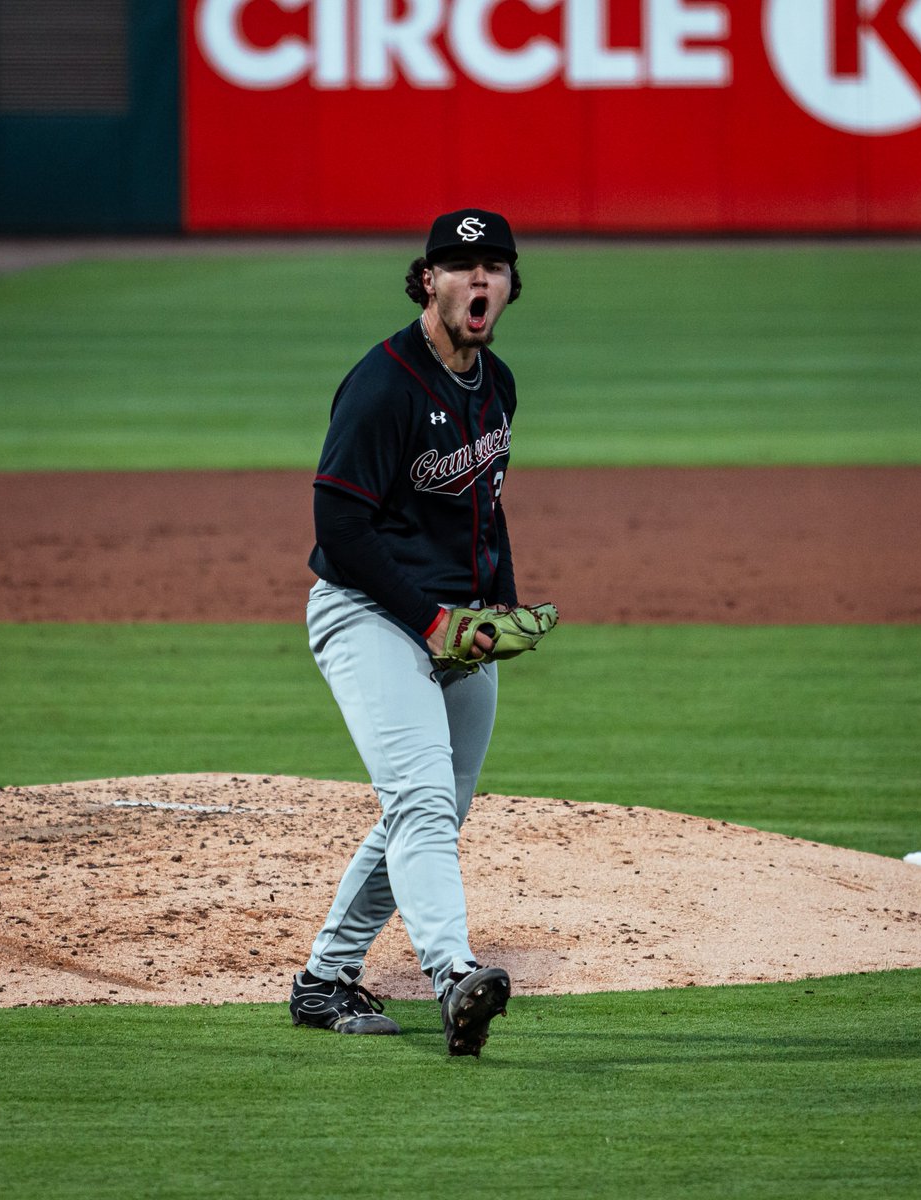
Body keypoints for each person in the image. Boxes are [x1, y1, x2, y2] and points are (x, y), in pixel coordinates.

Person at [289, 209, 525, 1057]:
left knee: (431, 812)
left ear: (508, 286)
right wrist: (426, 620)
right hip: (368, 612)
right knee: (421, 800)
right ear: (428, 280)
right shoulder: (383, 384)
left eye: (494, 266)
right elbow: (339, 528)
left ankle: (324, 981)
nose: (479, 280)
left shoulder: (494, 382)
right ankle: (454, 974)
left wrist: (497, 605)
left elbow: (485, 508)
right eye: (461, 266)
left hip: (454, 627)